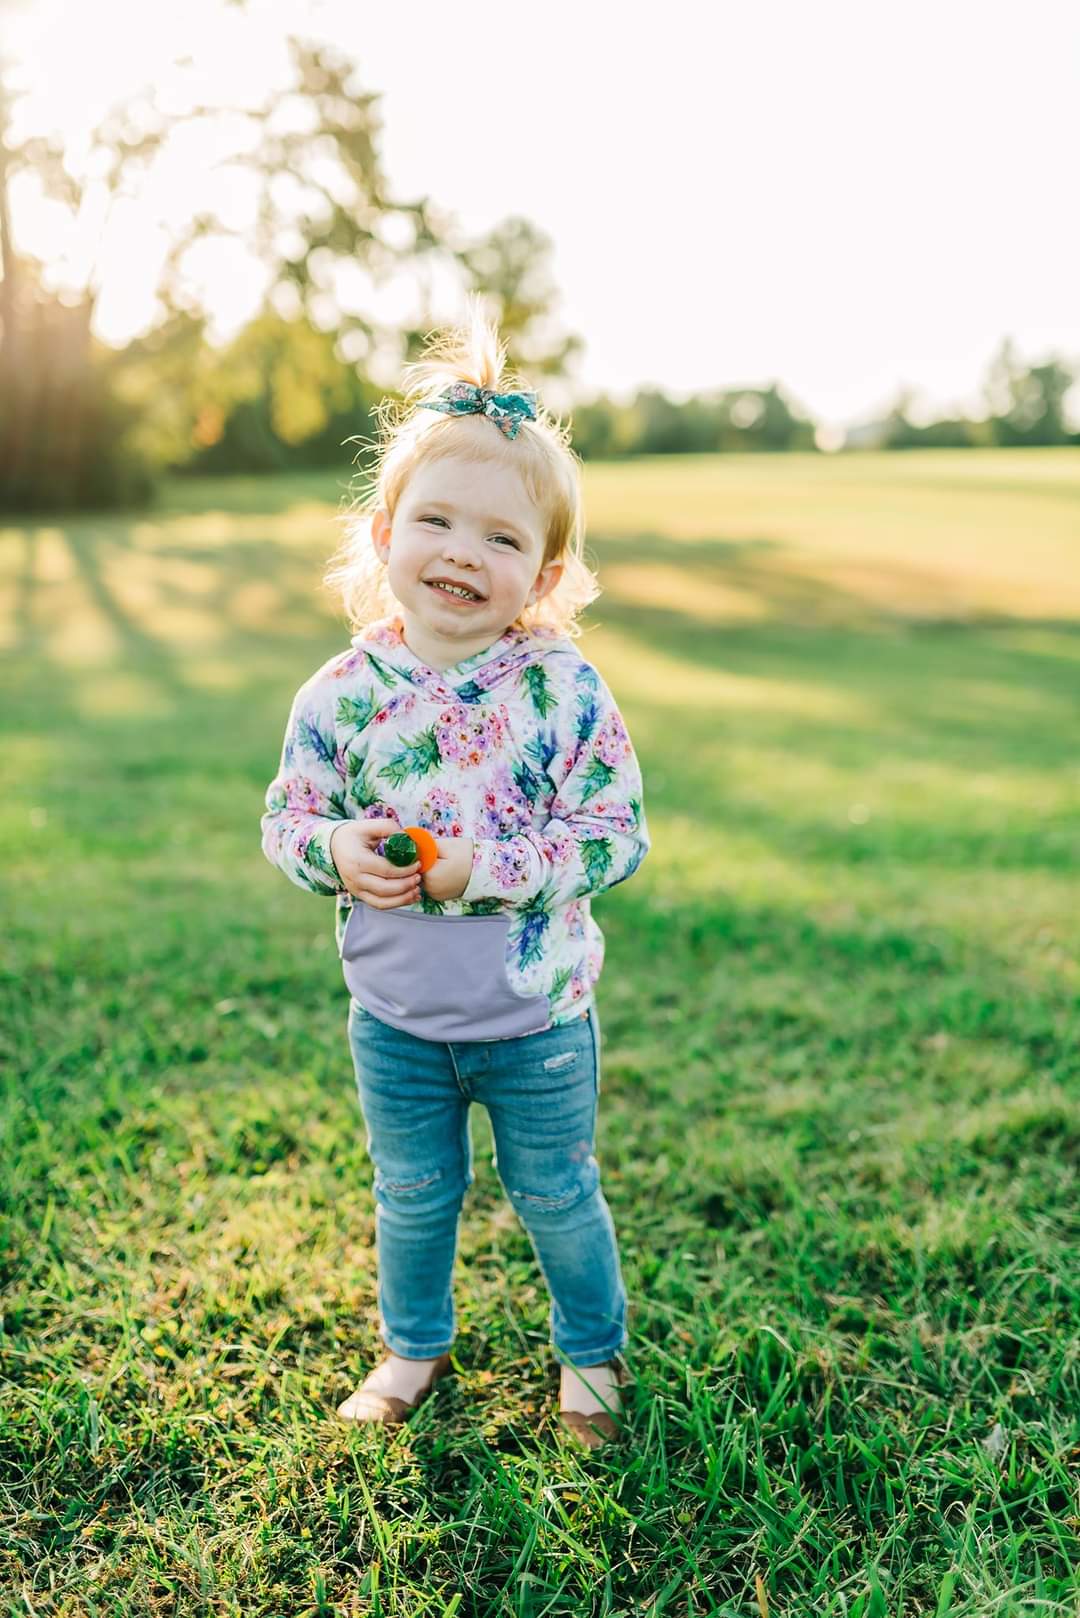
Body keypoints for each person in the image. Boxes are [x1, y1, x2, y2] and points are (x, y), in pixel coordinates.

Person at [260, 295, 651, 1449]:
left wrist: (484, 870)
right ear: (384, 534)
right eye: (436, 521)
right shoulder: (339, 693)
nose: (462, 555)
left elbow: (613, 833)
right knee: (415, 1195)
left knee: (556, 1193)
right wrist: (331, 848)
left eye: (500, 538)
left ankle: (591, 1355)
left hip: (534, 1016)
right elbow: (289, 818)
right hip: (394, 1014)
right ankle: (411, 1346)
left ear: (542, 570)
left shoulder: (562, 689)